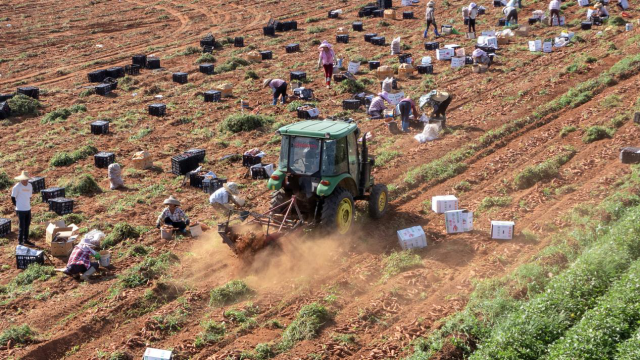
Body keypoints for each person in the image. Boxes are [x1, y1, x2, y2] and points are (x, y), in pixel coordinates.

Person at [11, 171, 34, 246]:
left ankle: (26, 239)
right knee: (22, 226)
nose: (24, 180)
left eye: (26, 179)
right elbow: (13, 197)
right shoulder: (17, 187)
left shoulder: (29, 186)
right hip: (20, 209)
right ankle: (20, 241)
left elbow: (29, 196)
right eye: (23, 179)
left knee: (27, 225)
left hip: (28, 208)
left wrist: (26, 205)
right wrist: (17, 205)